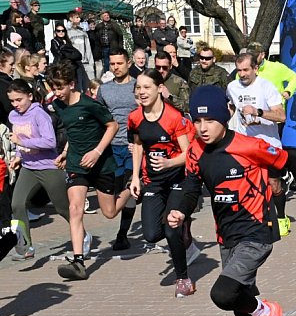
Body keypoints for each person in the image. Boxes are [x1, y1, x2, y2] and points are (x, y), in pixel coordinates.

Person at [167, 86, 296, 316]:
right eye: (197, 122)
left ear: (226, 115)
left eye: (209, 120)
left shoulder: (249, 145)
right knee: (240, 307)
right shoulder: (196, 152)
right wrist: (180, 211)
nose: (202, 128)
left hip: (257, 231)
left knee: (223, 294)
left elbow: (286, 160)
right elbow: (190, 188)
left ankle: (267, 311)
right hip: (226, 236)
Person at [47, 61, 132, 280]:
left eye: (60, 87)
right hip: (76, 164)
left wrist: (97, 151)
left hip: (101, 162)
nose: (57, 92)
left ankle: (131, 188)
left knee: (110, 212)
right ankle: (78, 262)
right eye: (54, 88)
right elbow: (73, 132)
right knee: (75, 208)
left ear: (72, 84)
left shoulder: (89, 104)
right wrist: (66, 152)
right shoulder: (58, 105)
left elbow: (112, 126)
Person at [129, 69, 197, 297]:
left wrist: (168, 163)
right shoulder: (135, 117)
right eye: (138, 87)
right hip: (153, 182)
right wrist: (136, 176)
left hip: (178, 178)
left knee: (171, 229)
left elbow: (189, 154)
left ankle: (183, 278)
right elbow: (138, 145)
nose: (141, 92)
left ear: (159, 88)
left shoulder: (173, 117)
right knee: (150, 234)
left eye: (147, 87)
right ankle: (183, 226)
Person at [226, 53, 290, 236]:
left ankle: (281, 217)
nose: (242, 74)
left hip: (267, 144)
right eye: (239, 70)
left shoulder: (266, 87)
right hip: (244, 143)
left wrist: (258, 111)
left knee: (273, 184)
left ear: (255, 68)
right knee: (245, 183)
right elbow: (231, 106)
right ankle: (253, 219)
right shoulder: (232, 87)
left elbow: (281, 116)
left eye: (246, 70)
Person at [6, 80, 69, 260]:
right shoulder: (13, 116)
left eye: (19, 100)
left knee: (63, 208)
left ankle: (82, 236)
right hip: (28, 167)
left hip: (48, 166)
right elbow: (20, 138)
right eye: (12, 101)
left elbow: (50, 141)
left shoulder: (39, 114)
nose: (16, 105)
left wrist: (22, 143)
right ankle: (26, 247)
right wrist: (18, 155)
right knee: (17, 205)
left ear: (30, 96)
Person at [95, 49, 141, 251]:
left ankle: (122, 234)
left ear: (128, 63)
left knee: (130, 188)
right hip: (112, 148)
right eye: (112, 64)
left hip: (134, 146)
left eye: (119, 63)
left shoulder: (138, 86)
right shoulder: (104, 90)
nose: (115, 67)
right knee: (119, 190)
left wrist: (142, 142)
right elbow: (97, 117)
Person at [66, 10, 94, 89]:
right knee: (79, 86)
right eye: (77, 17)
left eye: (79, 17)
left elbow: (88, 48)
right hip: (76, 64)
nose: (79, 19)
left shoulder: (83, 32)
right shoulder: (68, 33)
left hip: (86, 62)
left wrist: (91, 63)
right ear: (71, 19)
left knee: (90, 85)